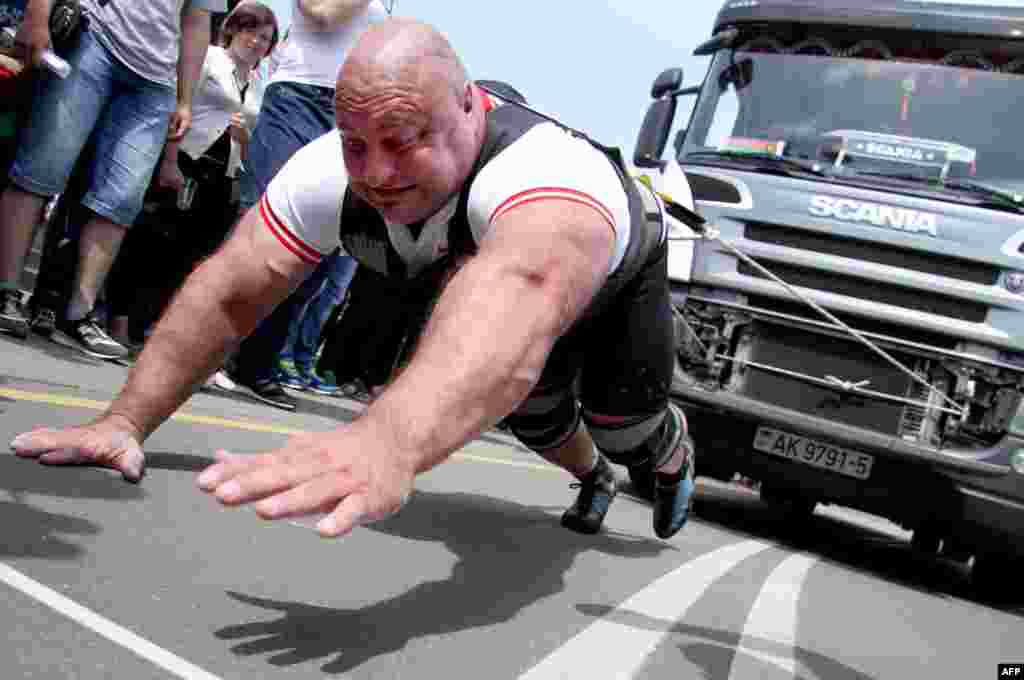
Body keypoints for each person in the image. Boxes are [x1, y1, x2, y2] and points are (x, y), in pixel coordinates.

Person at [10, 18, 697, 541]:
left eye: (404, 141)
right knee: (536, 412)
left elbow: (520, 292)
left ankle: (664, 458)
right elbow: (229, 293)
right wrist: (126, 420)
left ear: (468, 108)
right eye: (356, 144)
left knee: (620, 423)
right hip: (510, 291)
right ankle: (594, 480)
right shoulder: (328, 171)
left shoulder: (544, 173)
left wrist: (387, 439)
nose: (375, 173)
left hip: (613, 278)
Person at [0, 0, 225, 354]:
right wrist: (38, 15)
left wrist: (184, 101)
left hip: (157, 78)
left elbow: (197, 23)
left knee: (121, 199)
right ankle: (6, 289)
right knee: (41, 167)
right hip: (96, 41)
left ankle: (79, 314)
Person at [217, 0, 387, 411]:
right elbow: (321, 14)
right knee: (260, 226)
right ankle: (209, 349)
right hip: (299, 98)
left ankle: (255, 364)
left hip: (347, 114)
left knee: (318, 247)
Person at [105, 1, 279, 350]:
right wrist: (169, 161)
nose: (256, 42)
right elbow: (178, 108)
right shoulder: (210, 58)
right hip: (187, 161)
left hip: (223, 176)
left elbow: (249, 140)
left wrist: (244, 139)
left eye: (264, 38)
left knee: (185, 257)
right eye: (249, 32)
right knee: (150, 244)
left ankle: (147, 325)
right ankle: (117, 318)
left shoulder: (261, 83)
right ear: (231, 30)